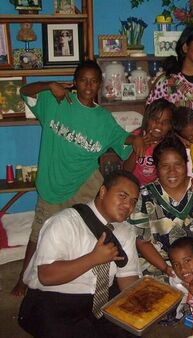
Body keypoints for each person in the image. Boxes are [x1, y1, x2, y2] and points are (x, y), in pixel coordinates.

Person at [11, 60, 145, 296]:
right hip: (55, 180)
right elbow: (24, 91)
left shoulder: (103, 118)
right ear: (74, 82)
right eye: (83, 79)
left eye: (94, 81)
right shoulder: (56, 102)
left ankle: (101, 270)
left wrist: (134, 139)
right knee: (40, 231)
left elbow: (121, 139)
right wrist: (48, 84)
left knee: (97, 221)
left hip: (85, 179)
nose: (88, 85)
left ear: (100, 85)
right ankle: (24, 279)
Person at [18, 171, 141, 338]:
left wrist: (142, 304)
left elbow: (127, 279)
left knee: (132, 331)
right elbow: (46, 275)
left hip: (100, 301)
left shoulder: (125, 230)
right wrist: (93, 259)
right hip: (53, 299)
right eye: (122, 196)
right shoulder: (64, 222)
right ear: (103, 192)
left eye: (133, 201)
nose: (128, 205)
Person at [129, 135, 193, 282]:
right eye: (165, 166)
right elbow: (142, 242)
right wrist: (167, 269)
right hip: (160, 272)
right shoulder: (144, 196)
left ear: (186, 164)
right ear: (156, 168)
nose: (172, 172)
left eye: (178, 164)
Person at [123, 98, 175, 186]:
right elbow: (126, 170)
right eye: (155, 119)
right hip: (133, 184)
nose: (159, 125)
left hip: (158, 186)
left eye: (165, 122)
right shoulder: (135, 137)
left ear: (170, 126)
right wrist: (137, 150)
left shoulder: (169, 144)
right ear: (148, 119)